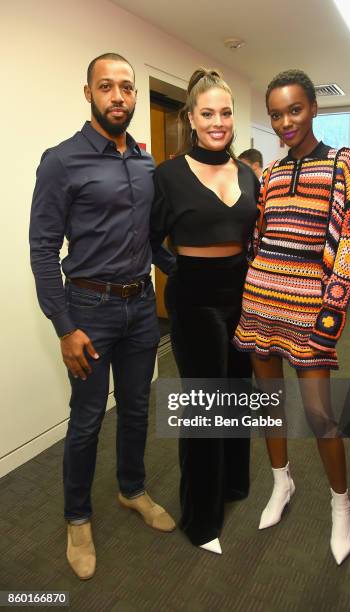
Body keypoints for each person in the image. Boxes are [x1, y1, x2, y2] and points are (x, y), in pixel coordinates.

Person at [29, 53, 176, 580]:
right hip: (89, 310)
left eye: (128, 88)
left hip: (140, 309)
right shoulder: (61, 161)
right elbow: (43, 250)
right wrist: (65, 326)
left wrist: (186, 271)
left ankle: (131, 489)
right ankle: (77, 517)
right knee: (88, 419)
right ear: (88, 93)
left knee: (137, 408)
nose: (119, 97)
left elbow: (151, 239)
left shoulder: (144, 161)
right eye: (107, 87)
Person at [233, 69, 350, 565]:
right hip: (261, 306)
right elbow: (258, 239)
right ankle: (281, 483)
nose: (285, 121)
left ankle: (341, 505)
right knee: (270, 406)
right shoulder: (268, 174)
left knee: (320, 416)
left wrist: (329, 318)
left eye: (294, 109)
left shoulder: (342, 166)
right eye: (275, 114)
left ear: (313, 107)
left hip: (310, 314)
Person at [150, 68, 259, 554]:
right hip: (195, 298)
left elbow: (256, 238)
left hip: (242, 293)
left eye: (226, 113)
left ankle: (234, 484)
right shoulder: (169, 175)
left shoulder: (249, 175)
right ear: (191, 118)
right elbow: (150, 239)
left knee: (239, 393)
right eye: (208, 113)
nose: (218, 122)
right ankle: (201, 518)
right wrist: (181, 271)